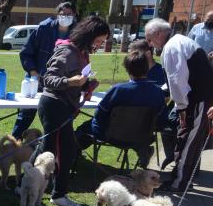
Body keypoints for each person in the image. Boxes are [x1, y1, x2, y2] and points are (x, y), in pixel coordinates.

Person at [38, 16, 110, 206]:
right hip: (54, 105)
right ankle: (57, 194)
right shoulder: (67, 51)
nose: (100, 45)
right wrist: (71, 83)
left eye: (102, 41)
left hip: (63, 106)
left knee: (49, 150)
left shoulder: (81, 52)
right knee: (63, 151)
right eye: (99, 40)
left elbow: (75, 78)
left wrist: (87, 84)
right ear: (89, 35)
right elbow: (49, 79)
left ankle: (27, 185)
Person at [145, 18, 213, 192]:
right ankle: (180, 179)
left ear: (159, 34)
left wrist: (181, 108)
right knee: (188, 140)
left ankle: (180, 183)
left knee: (188, 142)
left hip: (197, 100)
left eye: (150, 39)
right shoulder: (180, 42)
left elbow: (177, 80)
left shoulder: (172, 47)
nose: (149, 43)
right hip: (199, 99)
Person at [75, 50, 166, 166]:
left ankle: (70, 157)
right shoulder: (157, 92)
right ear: (147, 68)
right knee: (133, 132)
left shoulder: (118, 89)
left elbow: (99, 114)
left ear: (127, 69)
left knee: (82, 129)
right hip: (141, 136)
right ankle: (142, 149)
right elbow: (162, 118)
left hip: (110, 135)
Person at [13, 1, 77, 139]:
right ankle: (14, 144)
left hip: (61, 84)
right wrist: (33, 72)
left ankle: (56, 148)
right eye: (62, 14)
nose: (65, 17)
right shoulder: (44, 28)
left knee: (58, 118)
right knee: (25, 115)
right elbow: (26, 52)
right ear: (57, 14)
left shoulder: (77, 33)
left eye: (69, 14)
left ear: (74, 15)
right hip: (37, 80)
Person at [130, 39, 176, 168]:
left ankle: (144, 149)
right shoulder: (136, 68)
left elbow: (167, 98)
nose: (133, 58)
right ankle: (143, 149)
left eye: (136, 54)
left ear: (148, 54)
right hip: (135, 112)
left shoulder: (162, 71)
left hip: (155, 114)